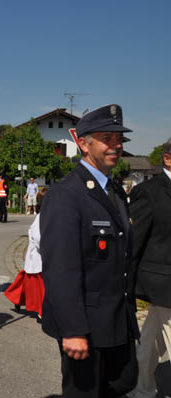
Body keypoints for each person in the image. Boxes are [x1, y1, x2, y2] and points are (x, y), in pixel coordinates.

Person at [40, 104, 139, 397]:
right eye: (106, 138)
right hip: (85, 325)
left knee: (121, 386)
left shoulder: (115, 191)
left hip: (116, 320)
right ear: (83, 143)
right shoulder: (66, 195)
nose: (116, 145)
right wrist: (72, 330)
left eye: (119, 139)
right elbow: (61, 270)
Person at [127, 138, 171, 398]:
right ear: (167, 159)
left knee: (149, 345)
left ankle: (141, 390)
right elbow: (135, 239)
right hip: (162, 281)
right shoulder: (149, 191)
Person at [4, 214, 44, 318]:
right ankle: (42, 310)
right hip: (39, 255)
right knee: (39, 283)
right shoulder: (42, 216)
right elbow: (37, 237)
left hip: (47, 256)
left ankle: (17, 298)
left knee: (28, 281)